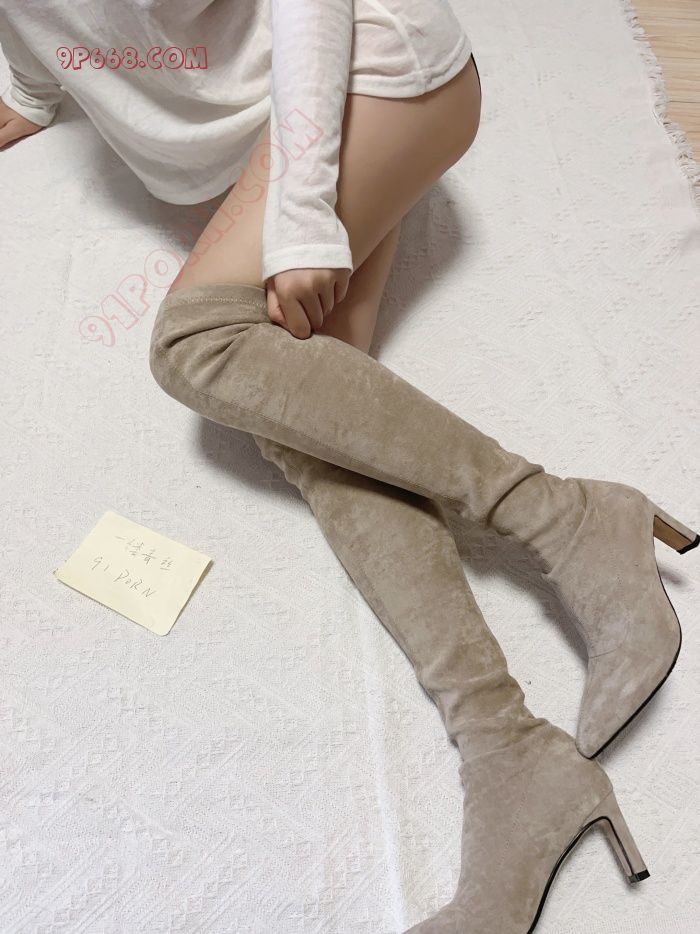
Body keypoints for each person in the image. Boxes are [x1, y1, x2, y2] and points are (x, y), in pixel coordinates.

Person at [2, 2, 697, 930]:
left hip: (371, 74)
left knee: (199, 342)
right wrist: (32, 81)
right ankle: (507, 749)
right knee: (313, 418)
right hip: (267, 120)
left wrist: (301, 219)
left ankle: (563, 515)